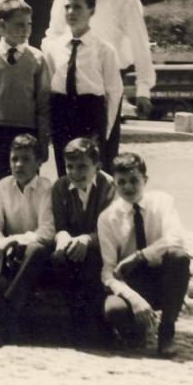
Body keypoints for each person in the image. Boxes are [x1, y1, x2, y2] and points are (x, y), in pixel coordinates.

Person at [45, 0, 155, 168]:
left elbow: (140, 45)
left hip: (104, 87)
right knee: (65, 162)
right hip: (66, 84)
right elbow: (52, 34)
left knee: (100, 159)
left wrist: (143, 89)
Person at [98, 151, 190, 358]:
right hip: (132, 283)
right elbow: (108, 272)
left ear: (145, 180)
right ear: (114, 184)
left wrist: (140, 256)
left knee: (179, 257)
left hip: (162, 278)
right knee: (114, 310)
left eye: (134, 180)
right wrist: (134, 299)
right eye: (121, 182)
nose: (128, 187)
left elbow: (176, 238)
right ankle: (136, 331)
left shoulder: (163, 202)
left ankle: (167, 331)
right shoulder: (107, 218)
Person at [0, 134, 55, 347]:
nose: (19, 165)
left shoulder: (47, 188)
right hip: (11, 256)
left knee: (36, 249)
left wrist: (12, 241)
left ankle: (2, 323)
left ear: (39, 162)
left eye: (26, 159)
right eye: (14, 159)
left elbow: (46, 232)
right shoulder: (3, 186)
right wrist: (2, 244)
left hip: (38, 260)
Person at [0, 0, 51, 204]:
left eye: (29, 24)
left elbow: (43, 106)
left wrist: (43, 142)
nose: (25, 30)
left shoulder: (37, 59)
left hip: (27, 135)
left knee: (27, 187)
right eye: (19, 24)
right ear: (2, 24)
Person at [42, 0, 123, 178]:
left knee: (91, 173)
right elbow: (47, 87)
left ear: (91, 11)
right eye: (67, 7)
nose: (71, 12)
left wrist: (105, 130)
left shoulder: (104, 49)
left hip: (90, 113)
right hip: (62, 112)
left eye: (77, 7)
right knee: (65, 171)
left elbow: (114, 92)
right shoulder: (54, 48)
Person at [49, 137, 116, 347]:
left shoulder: (109, 187)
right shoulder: (60, 186)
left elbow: (111, 230)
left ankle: (99, 324)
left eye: (83, 167)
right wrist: (63, 238)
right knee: (61, 259)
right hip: (72, 248)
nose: (75, 173)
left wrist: (87, 239)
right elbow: (60, 225)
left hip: (101, 247)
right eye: (70, 166)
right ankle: (77, 323)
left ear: (97, 166)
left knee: (93, 263)